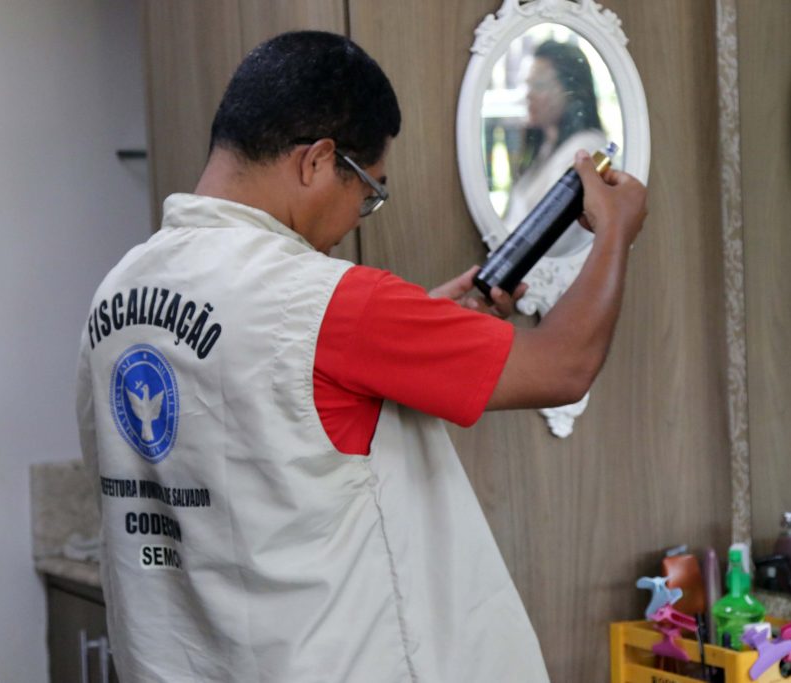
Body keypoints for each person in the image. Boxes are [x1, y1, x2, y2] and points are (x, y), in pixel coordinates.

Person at [76, 31, 646, 682]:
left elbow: (268, 400)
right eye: (369, 190)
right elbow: (564, 367)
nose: (359, 216)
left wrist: (407, 332)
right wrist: (616, 231)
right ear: (319, 160)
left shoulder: (117, 291)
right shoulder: (328, 302)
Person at [503, 39, 608, 257]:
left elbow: (553, 236)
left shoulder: (585, 149)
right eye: (528, 85)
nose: (529, 95)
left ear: (571, 91)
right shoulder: (545, 147)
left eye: (539, 86)